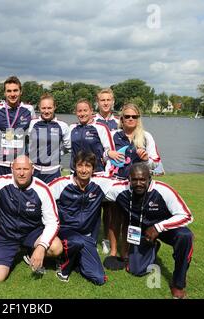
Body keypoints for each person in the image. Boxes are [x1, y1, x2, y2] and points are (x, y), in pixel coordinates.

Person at [106, 163, 193, 299]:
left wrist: (158, 227)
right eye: (134, 179)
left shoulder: (164, 190)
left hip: (164, 228)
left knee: (185, 236)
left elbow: (186, 215)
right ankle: (152, 247)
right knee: (136, 270)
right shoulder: (119, 189)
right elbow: (95, 187)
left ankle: (178, 283)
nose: (138, 183)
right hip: (141, 232)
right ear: (129, 178)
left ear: (149, 178)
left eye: (143, 179)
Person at [104, 103, 163, 270]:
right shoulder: (113, 134)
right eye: (126, 116)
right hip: (117, 184)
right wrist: (108, 153)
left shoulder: (146, 137)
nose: (130, 119)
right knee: (115, 219)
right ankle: (114, 252)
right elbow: (103, 155)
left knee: (132, 221)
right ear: (121, 119)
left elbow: (156, 164)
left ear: (138, 119)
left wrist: (146, 160)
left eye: (134, 117)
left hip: (138, 187)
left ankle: (126, 253)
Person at [49, 151, 113, 284]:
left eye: (88, 166)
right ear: (74, 167)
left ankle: (76, 258)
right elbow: (42, 198)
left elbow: (124, 186)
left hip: (86, 237)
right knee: (76, 242)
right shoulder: (60, 184)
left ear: (93, 169)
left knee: (99, 279)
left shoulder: (100, 184)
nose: (84, 170)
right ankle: (63, 268)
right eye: (80, 166)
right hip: (64, 231)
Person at [0, 76, 36, 249]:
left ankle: (18, 238)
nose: (12, 94)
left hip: (18, 166)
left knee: (18, 203)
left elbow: (32, 136)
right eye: (9, 91)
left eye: (15, 90)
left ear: (20, 91)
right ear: (4, 92)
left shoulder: (28, 110)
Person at [92, 88, 120, 257]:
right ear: (98, 102)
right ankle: (92, 239)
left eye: (108, 100)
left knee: (110, 209)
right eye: (102, 100)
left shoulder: (118, 122)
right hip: (96, 169)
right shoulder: (92, 120)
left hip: (114, 171)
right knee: (93, 208)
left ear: (113, 101)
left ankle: (107, 240)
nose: (105, 103)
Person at [68, 98, 122, 175]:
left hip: (96, 173)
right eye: (79, 111)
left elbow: (110, 151)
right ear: (76, 112)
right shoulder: (72, 128)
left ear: (91, 111)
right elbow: (66, 147)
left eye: (85, 110)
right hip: (76, 173)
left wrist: (108, 172)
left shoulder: (101, 128)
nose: (82, 114)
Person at [28, 93, 70, 183]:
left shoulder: (63, 126)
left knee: (52, 197)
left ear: (54, 107)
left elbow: (68, 147)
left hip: (53, 171)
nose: (46, 111)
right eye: (43, 108)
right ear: (39, 108)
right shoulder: (33, 123)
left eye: (49, 108)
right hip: (35, 170)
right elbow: (29, 144)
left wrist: (59, 152)